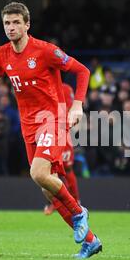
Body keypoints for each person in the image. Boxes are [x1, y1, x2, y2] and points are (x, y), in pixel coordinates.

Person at [0, 2, 101, 259]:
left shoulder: (46, 50)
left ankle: (79, 211)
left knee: (38, 172)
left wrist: (77, 106)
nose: (11, 27)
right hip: (29, 126)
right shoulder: (3, 54)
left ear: (27, 25)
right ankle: (91, 241)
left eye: (16, 22)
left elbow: (82, 71)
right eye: (7, 23)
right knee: (47, 188)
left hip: (53, 118)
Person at [44, 83, 81, 215]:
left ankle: (77, 202)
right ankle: (54, 203)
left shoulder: (65, 88)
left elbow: (71, 110)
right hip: (46, 131)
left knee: (67, 167)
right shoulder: (43, 84)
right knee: (46, 170)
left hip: (61, 132)